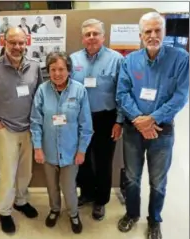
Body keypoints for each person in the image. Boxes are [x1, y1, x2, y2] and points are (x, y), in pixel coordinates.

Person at [116, 12, 189, 239]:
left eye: (158, 30)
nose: (153, 35)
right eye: (148, 31)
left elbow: (181, 96)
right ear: (140, 35)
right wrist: (139, 120)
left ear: (164, 32)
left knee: (158, 181)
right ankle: (132, 214)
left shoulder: (180, 59)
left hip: (162, 131)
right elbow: (122, 93)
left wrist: (153, 119)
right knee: (132, 177)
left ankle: (154, 220)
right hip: (133, 130)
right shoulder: (129, 61)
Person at [0, 27, 43, 234]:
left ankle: (21, 201)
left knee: (26, 171)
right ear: (4, 42)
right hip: (5, 129)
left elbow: (40, 96)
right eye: (12, 42)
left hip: (29, 128)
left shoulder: (34, 66)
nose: (17, 47)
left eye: (21, 43)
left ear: (27, 43)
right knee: (8, 173)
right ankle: (4, 211)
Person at [30, 52, 93, 234]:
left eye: (61, 69)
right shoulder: (42, 90)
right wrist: (37, 148)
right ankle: (55, 209)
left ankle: (73, 213)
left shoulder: (79, 90)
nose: (57, 73)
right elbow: (35, 122)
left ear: (69, 70)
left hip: (71, 152)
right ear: (48, 70)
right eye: (53, 69)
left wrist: (81, 151)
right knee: (51, 186)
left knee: (69, 187)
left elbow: (86, 125)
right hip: (48, 151)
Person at [70, 18, 124, 220]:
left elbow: (122, 92)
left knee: (103, 161)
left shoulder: (117, 59)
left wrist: (119, 121)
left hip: (105, 118)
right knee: (81, 158)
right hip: (79, 118)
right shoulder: (73, 59)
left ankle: (101, 201)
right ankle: (86, 193)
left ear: (103, 36)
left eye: (95, 33)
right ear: (82, 38)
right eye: (87, 34)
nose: (91, 37)